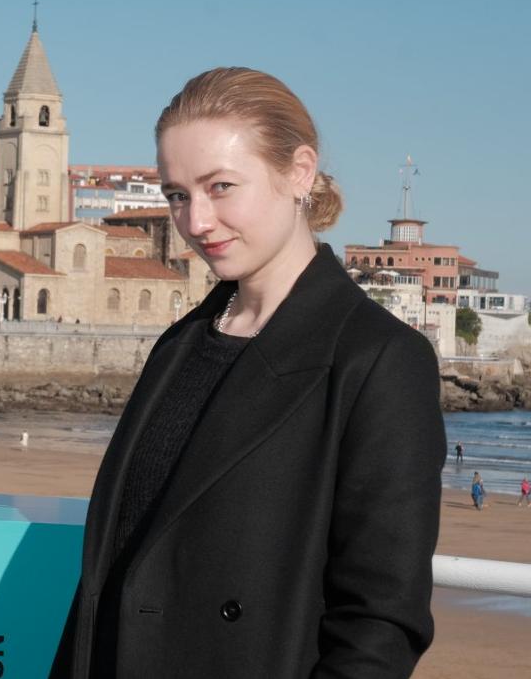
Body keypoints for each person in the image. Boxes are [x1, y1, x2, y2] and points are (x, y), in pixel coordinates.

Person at [52, 68, 445, 678]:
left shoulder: (378, 359)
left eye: (221, 187)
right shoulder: (182, 343)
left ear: (299, 173)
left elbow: (380, 621)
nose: (197, 222)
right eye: (177, 194)